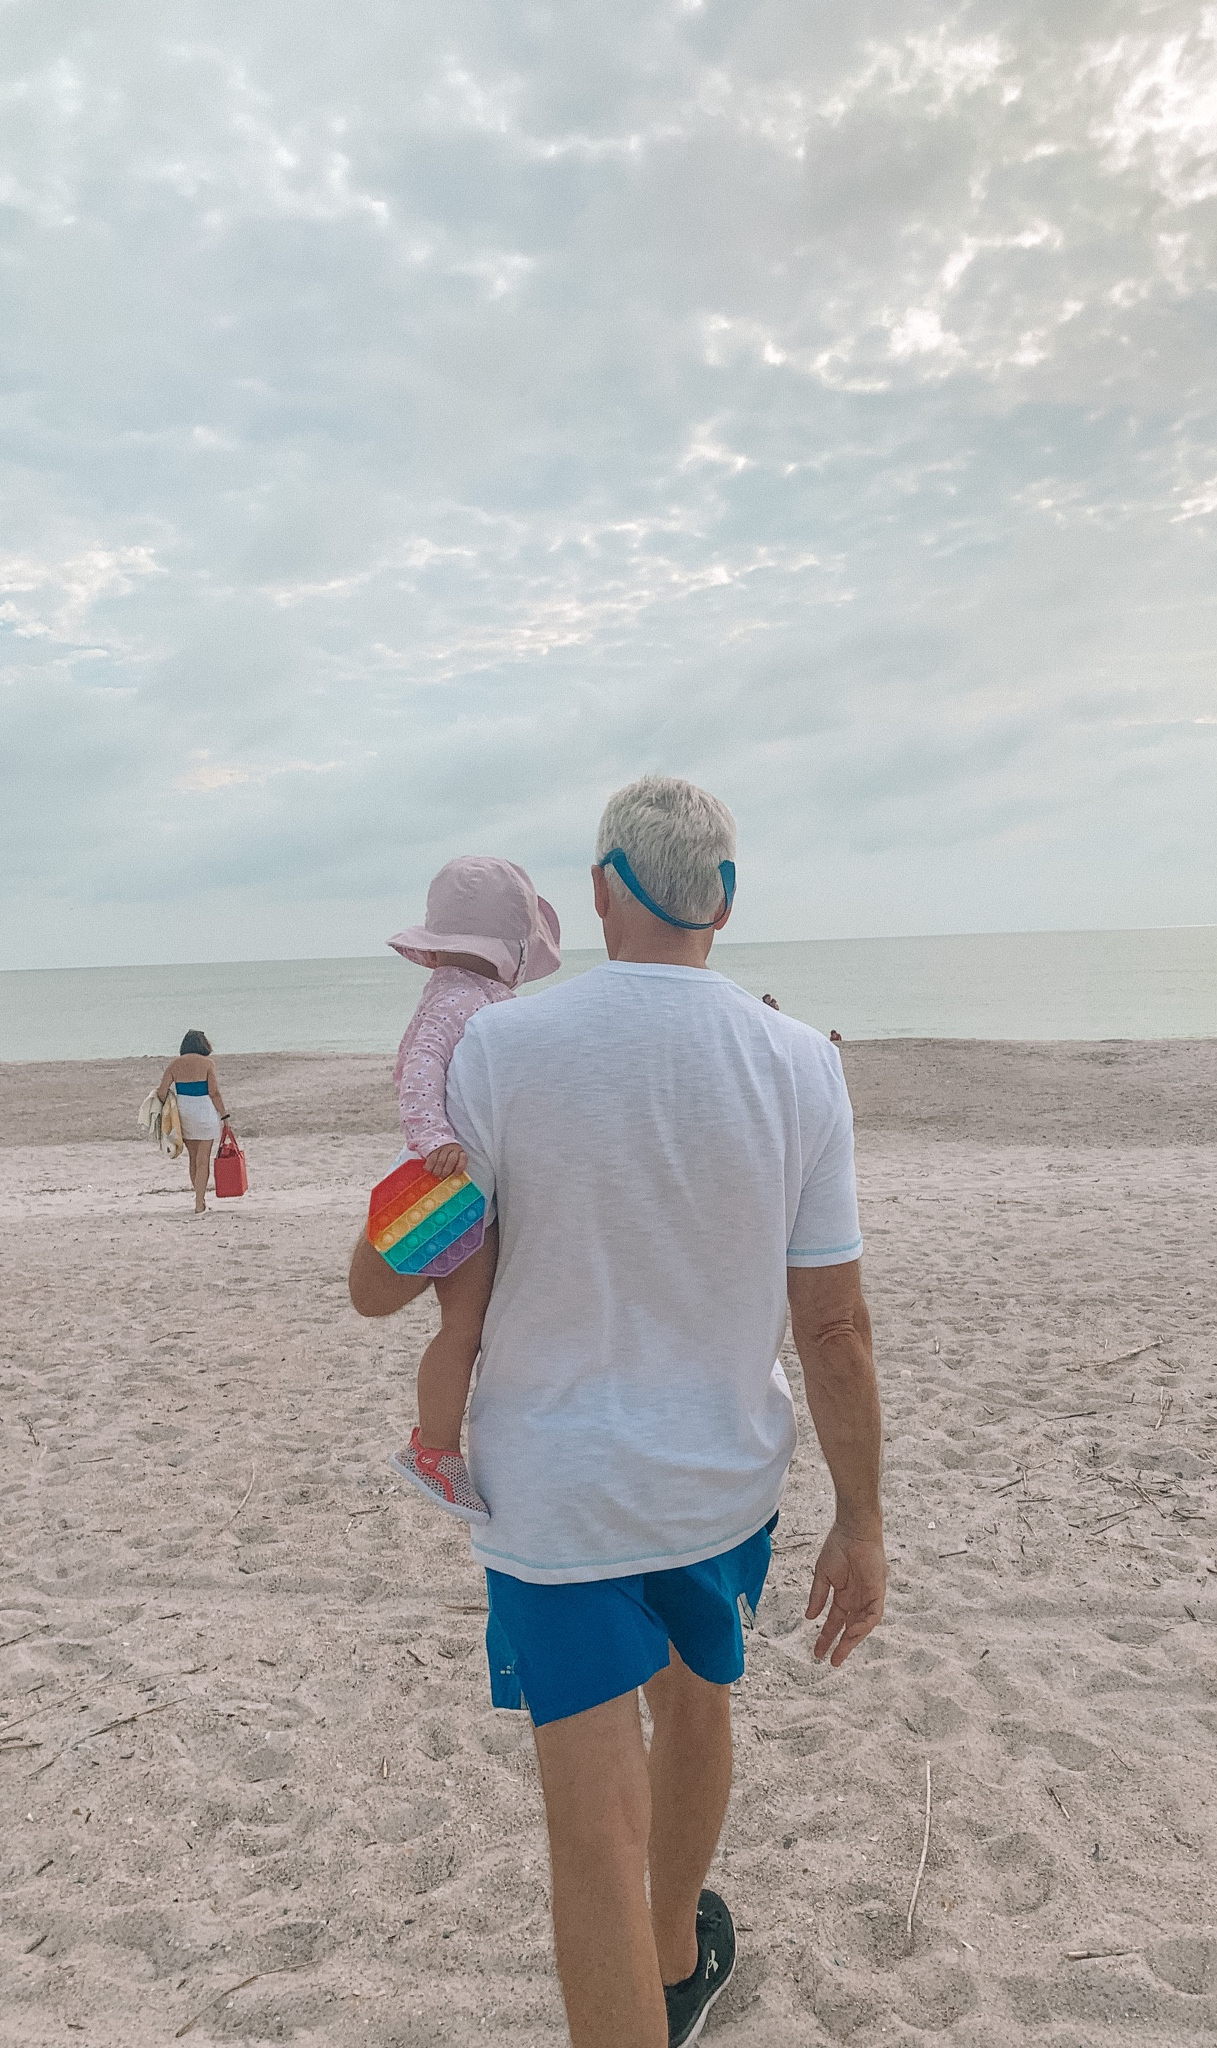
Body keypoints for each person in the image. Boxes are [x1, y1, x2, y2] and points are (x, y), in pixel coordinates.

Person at [349, 776, 886, 2048]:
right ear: (728, 898)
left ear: (598, 892)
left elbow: (388, 1282)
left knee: (591, 1827)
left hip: (558, 1493)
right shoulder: (802, 1059)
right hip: (721, 1479)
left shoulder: (497, 1047)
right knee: (701, 1697)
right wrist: (861, 1518)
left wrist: (382, 1250)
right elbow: (835, 1328)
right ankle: (666, 1961)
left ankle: (648, 1968)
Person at [365, 857, 561, 1521]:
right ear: (513, 950)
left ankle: (441, 1447)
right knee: (462, 1325)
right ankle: (435, 1448)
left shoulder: (481, 1000)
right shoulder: (454, 998)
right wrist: (432, 1139)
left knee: (470, 1326)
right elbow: (416, 1074)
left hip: (474, 1184)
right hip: (445, 1177)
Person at [154, 1030, 232, 1215]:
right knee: (203, 1160)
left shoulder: (175, 1064)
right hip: (204, 1110)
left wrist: (168, 1108)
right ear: (203, 1044)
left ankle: (200, 1200)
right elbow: (214, 1092)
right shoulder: (207, 1063)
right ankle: (199, 1203)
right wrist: (224, 1115)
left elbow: (162, 1091)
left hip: (184, 1111)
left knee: (193, 1158)